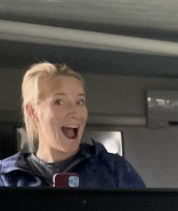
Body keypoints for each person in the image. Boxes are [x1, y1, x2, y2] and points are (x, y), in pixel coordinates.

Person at [0, 61, 145, 188]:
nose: (75, 112)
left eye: (80, 102)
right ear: (32, 111)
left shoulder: (113, 169)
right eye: (59, 101)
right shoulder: (6, 178)